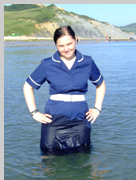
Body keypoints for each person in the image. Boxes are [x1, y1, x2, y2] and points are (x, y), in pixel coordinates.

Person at [23, 25, 106, 153]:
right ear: (55, 45)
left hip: (80, 121)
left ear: (76, 40)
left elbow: (100, 84)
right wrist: (34, 112)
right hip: (53, 122)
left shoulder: (87, 62)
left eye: (69, 44)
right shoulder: (48, 64)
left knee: (82, 160)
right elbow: (28, 86)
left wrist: (97, 108)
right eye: (61, 46)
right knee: (48, 160)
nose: (66, 49)